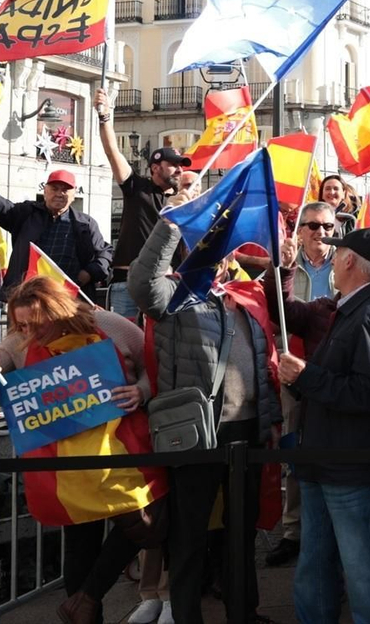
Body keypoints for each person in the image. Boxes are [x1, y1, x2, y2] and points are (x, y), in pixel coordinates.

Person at [0, 277, 156, 624]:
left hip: (121, 448)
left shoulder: (109, 324)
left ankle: (85, 599)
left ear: (58, 311)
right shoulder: (19, 341)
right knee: (81, 543)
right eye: (21, 325)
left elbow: (153, 362)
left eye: (36, 323)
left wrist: (142, 390)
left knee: (148, 523)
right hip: (68, 463)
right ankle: (85, 608)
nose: (29, 332)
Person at [128, 216, 281, 624]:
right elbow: (141, 284)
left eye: (223, 248)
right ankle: (186, 616)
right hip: (196, 431)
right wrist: (169, 225)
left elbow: (264, 364)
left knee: (241, 532)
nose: (217, 254)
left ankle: (243, 613)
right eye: (207, 245)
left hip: (246, 430)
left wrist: (270, 420)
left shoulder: (246, 295)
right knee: (189, 533)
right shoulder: (175, 294)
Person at [276, 226, 370, 624]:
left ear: (349, 260)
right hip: (324, 461)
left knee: (362, 569)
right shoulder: (350, 309)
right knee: (315, 564)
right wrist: (300, 380)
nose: (331, 259)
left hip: (350, 469)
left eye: (337, 251)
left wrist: (306, 376)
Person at [266, 201, 342, 569]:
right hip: (295, 372)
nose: (320, 233)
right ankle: (294, 531)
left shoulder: (346, 262)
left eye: (327, 226)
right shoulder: (288, 263)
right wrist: (283, 268)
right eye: (312, 225)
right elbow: (277, 308)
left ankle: (333, 527)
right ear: (301, 230)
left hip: (337, 373)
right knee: (295, 450)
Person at [95, 89, 190, 317]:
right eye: (173, 165)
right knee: (124, 338)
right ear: (155, 167)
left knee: (158, 340)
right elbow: (112, 152)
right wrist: (105, 116)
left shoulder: (182, 204)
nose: (179, 169)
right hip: (126, 284)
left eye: (181, 165)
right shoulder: (137, 188)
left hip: (163, 285)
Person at [0, 166, 112, 291]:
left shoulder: (85, 224)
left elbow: (104, 253)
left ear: (74, 194)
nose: (59, 194)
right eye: (54, 189)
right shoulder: (26, 214)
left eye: (65, 190)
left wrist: (89, 273)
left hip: (67, 298)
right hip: (27, 295)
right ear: (45, 191)